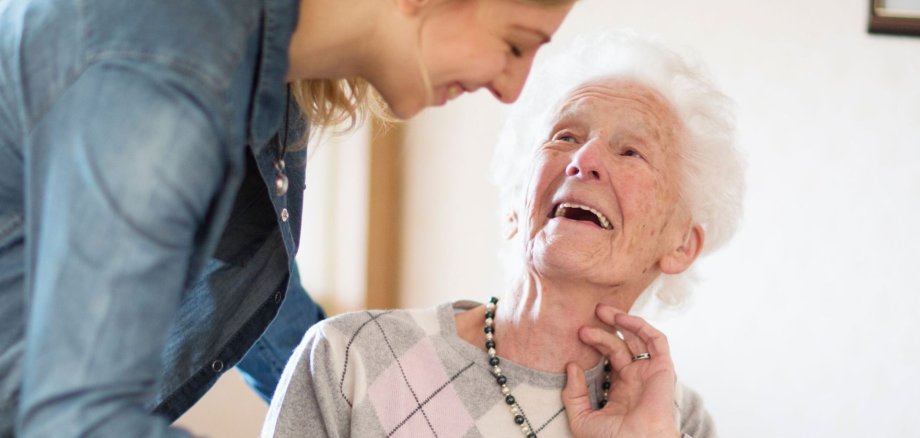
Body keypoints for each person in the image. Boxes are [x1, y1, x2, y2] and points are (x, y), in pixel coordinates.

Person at [0, 0, 575, 435]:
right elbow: (71, 415)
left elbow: (250, 287)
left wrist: (359, 398)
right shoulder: (169, 68)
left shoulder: (268, 94)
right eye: (515, 44)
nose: (512, 89)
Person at [261, 31, 744, 438]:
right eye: (565, 136)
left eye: (631, 152)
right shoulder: (350, 356)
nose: (584, 160)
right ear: (515, 204)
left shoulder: (676, 418)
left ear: (682, 244)